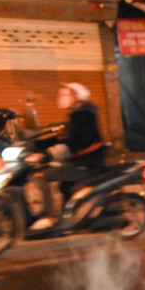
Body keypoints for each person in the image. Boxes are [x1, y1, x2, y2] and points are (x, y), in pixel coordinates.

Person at [32, 83, 106, 229]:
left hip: (87, 164)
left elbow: (74, 144)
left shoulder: (83, 115)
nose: (59, 98)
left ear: (76, 97)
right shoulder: (78, 113)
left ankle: (49, 218)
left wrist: (45, 155)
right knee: (62, 184)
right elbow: (63, 136)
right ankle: (68, 217)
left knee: (41, 175)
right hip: (81, 161)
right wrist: (37, 143)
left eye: (64, 95)